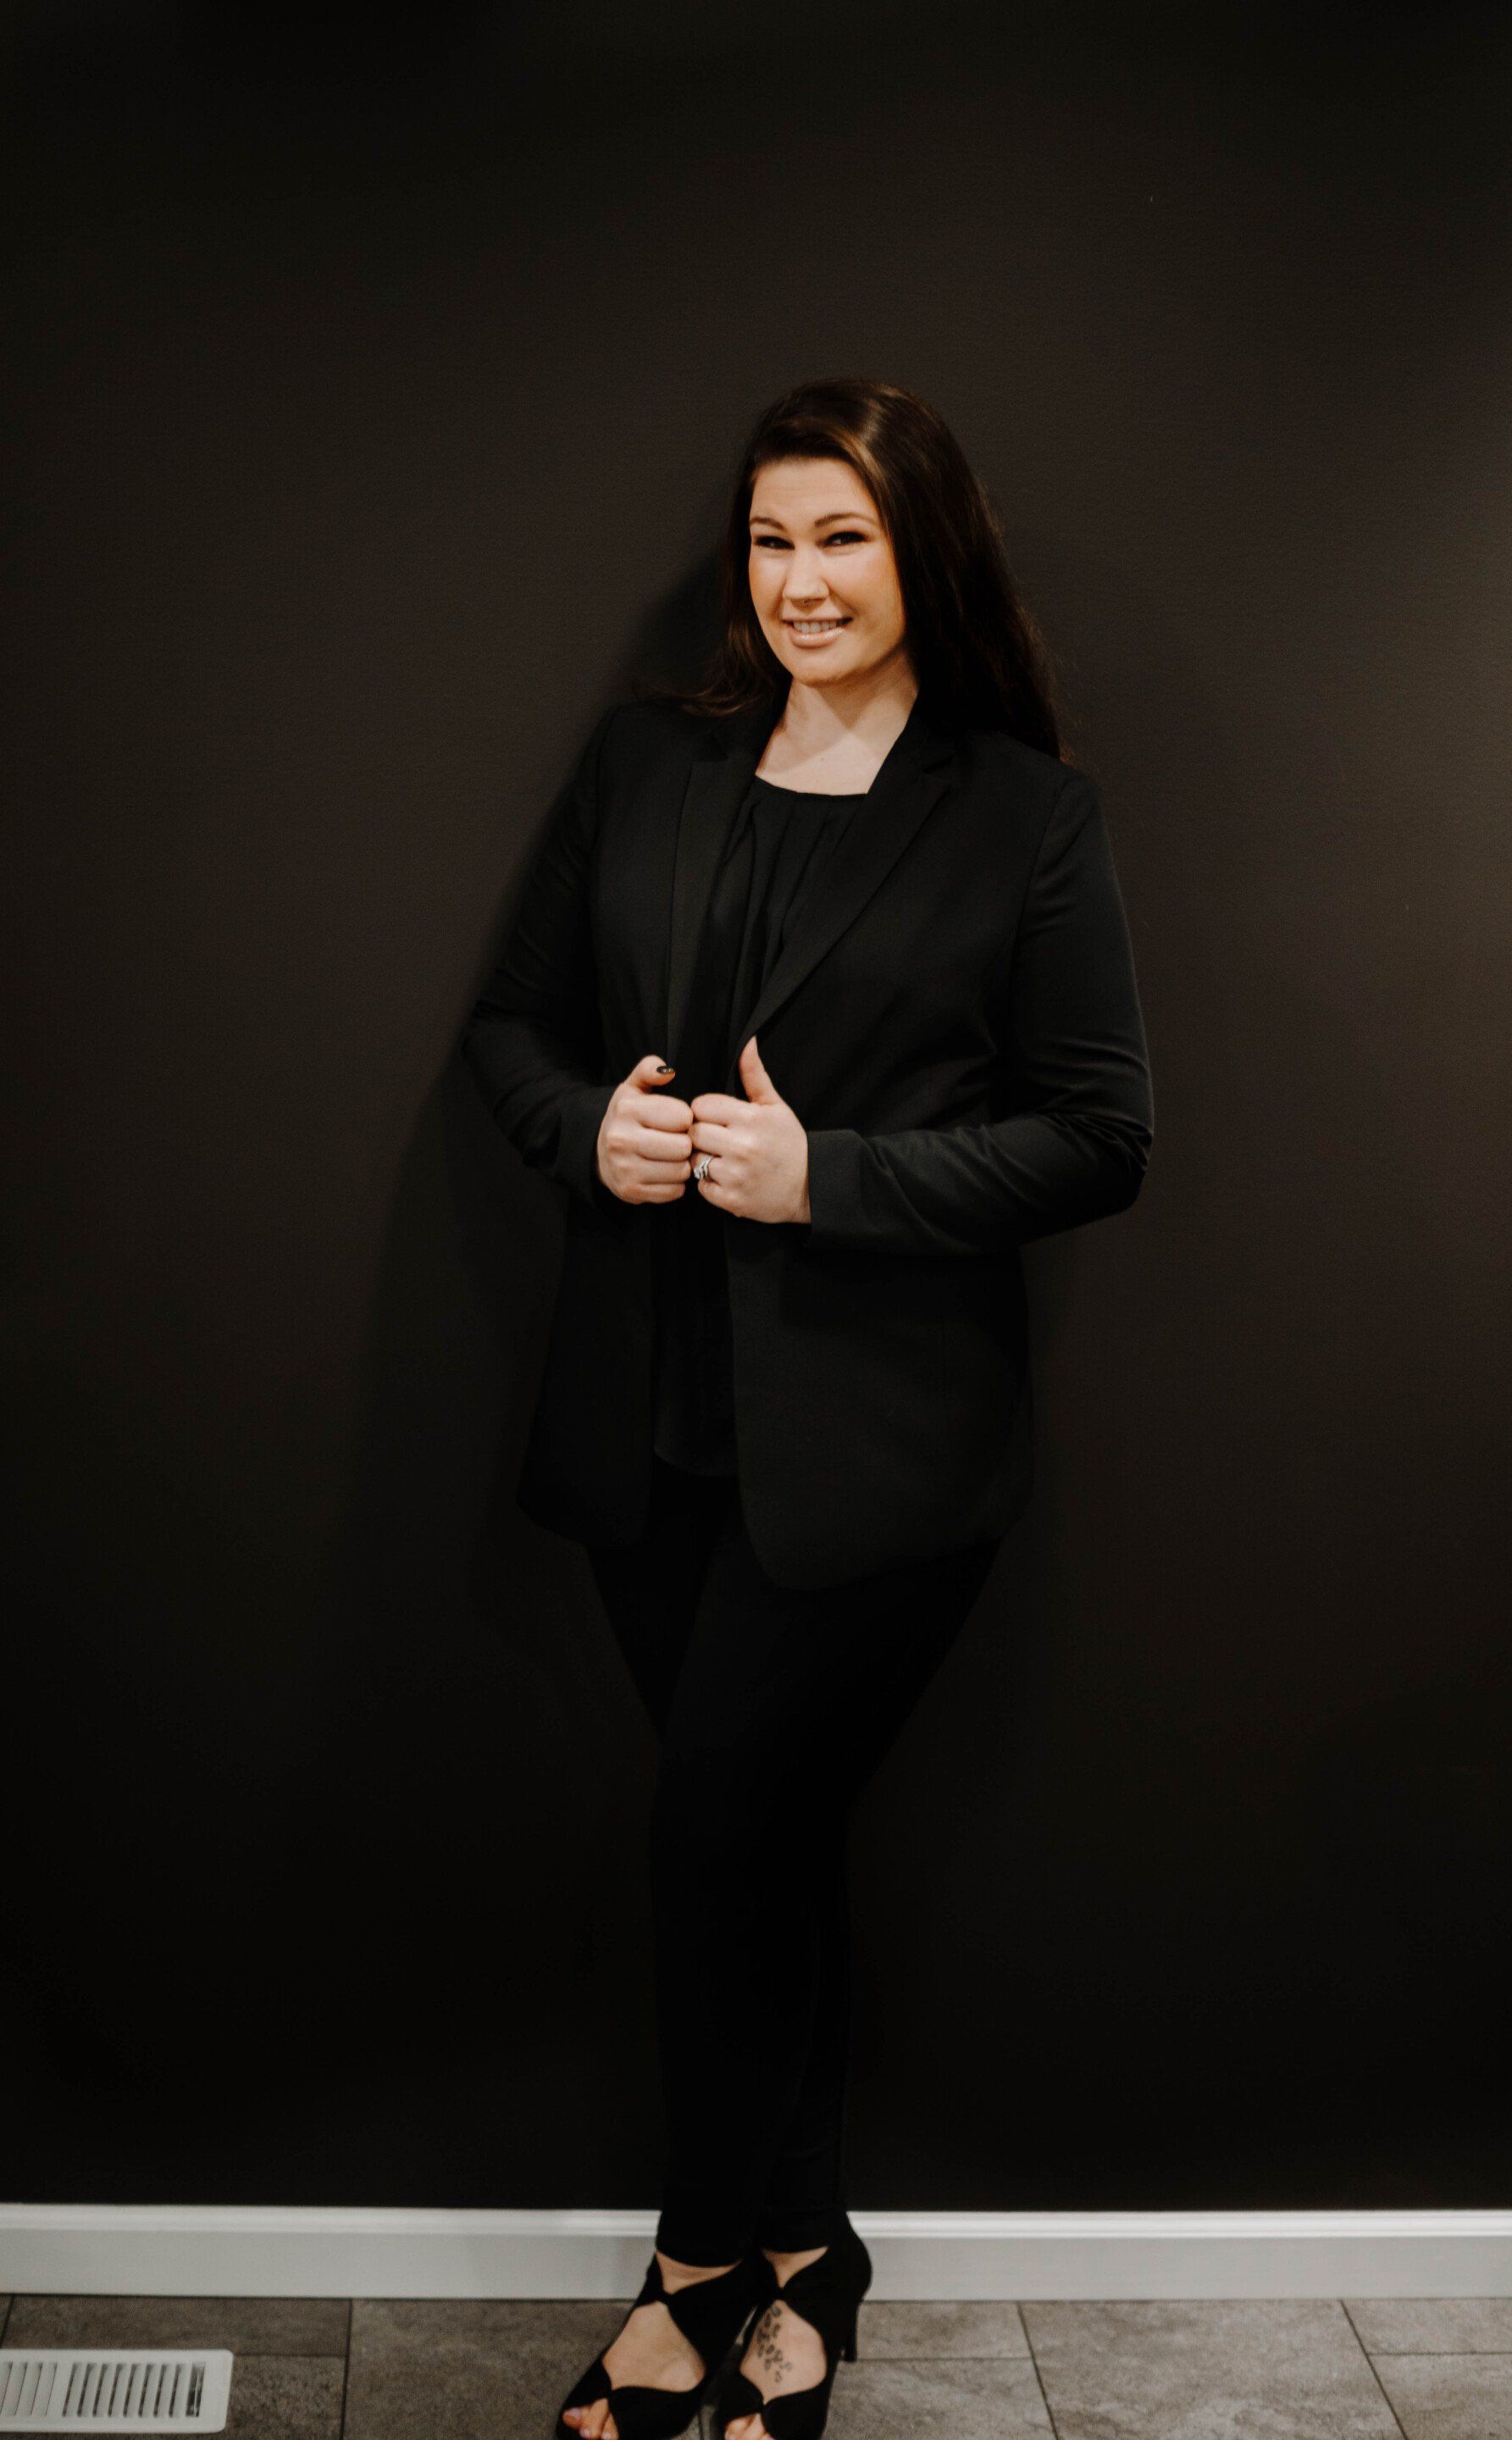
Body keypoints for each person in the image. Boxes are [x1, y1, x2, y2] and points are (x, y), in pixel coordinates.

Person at [461, 374, 1155, 2440]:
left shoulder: (1028, 816)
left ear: (923, 551)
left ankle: (692, 2274)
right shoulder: (646, 769)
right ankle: (815, 2257)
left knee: (710, 1835)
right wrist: (593, 1130)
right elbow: (508, 1030)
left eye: (841, 538)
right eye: (772, 541)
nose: (800, 582)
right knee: (758, 1851)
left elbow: (1103, 1137)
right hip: (647, 1428)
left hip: (880, 1458)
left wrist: (823, 1177)